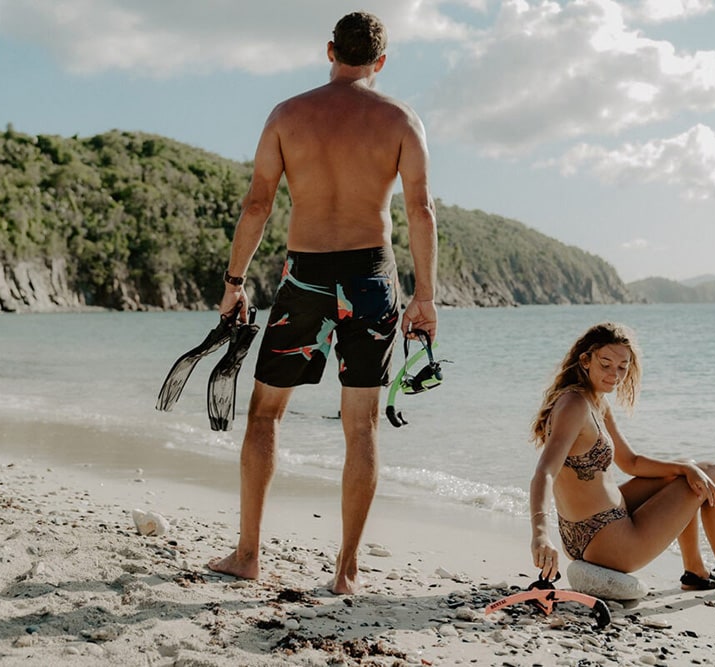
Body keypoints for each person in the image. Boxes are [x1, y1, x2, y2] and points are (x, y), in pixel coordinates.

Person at [208, 11, 438, 595]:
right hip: (370, 278)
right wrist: (425, 297)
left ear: (329, 50)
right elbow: (420, 213)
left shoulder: (288, 115)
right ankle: (346, 571)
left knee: (264, 415)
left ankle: (248, 554)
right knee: (360, 427)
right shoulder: (401, 120)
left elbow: (257, 204)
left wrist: (235, 283)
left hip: (305, 276)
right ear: (380, 62)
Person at [529, 323, 715, 597]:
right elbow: (545, 472)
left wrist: (685, 468)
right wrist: (540, 535)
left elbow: (630, 462)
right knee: (713, 472)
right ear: (585, 360)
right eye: (605, 364)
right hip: (609, 542)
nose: (614, 375)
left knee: (688, 469)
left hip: (589, 531)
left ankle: (696, 572)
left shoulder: (595, 402)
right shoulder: (574, 405)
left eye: (622, 367)